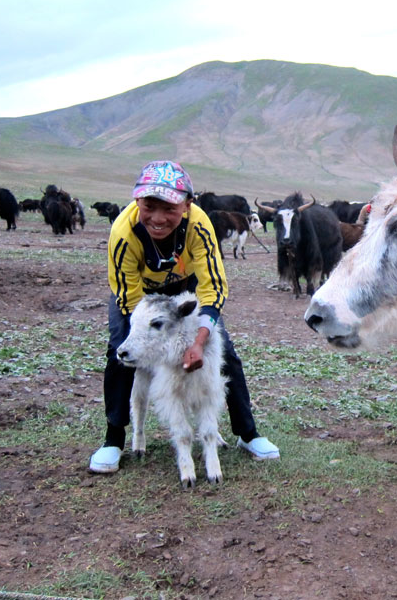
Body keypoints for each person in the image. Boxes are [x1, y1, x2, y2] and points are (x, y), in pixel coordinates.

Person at [89, 160, 279, 473]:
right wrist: (155, 346)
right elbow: (131, 299)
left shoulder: (200, 225)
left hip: (185, 287)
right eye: (149, 206)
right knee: (120, 353)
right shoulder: (123, 233)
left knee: (225, 353)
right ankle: (113, 439)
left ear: (187, 205)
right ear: (138, 201)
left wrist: (199, 340)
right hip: (140, 297)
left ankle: (248, 433)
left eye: (170, 208)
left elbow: (213, 286)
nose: (158, 218)